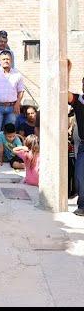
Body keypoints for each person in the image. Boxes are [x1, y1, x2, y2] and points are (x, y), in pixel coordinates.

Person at [0, 51, 24, 164]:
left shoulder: (17, 74)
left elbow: (21, 91)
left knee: (9, 133)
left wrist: (17, 104)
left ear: (11, 60)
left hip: (12, 108)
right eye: (4, 59)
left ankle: (8, 156)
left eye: (8, 59)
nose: (6, 61)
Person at [68, 74, 84, 216]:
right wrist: (65, 70)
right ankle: (83, 206)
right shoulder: (79, 100)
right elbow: (65, 94)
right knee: (80, 176)